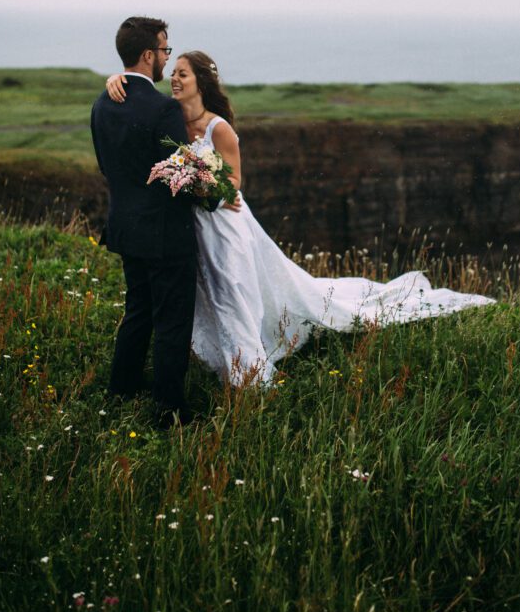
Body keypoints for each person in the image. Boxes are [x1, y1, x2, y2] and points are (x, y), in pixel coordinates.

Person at [106, 52, 495, 387]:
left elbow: (235, 182)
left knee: (233, 292)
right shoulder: (171, 115)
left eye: (182, 74)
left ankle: (248, 371)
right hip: (193, 227)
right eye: (172, 72)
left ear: (202, 82)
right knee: (205, 294)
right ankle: (218, 357)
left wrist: (205, 184)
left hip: (226, 223)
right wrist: (115, 79)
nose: (173, 78)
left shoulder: (218, 128)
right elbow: (140, 97)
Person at [92, 18, 222, 426]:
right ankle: (169, 412)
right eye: (165, 51)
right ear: (148, 54)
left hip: (126, 228)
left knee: (138, 311)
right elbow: (176, 179)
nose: (167, 57)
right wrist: (211, 195)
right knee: (171, 321)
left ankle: (121, 389)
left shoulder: (103, 102)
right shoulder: (163, 109)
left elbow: (106, 166)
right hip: (165, 235)